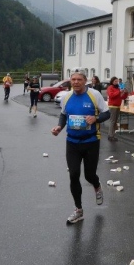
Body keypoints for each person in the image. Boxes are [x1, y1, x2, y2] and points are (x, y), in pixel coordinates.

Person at [50, 72, 110, 224]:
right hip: (72, 142)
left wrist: (95, 118)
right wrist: (59, 127)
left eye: (79, 80)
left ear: (85, 81)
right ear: (70, 81)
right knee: (74, 174)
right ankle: (78, 210)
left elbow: (107, 113)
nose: (76, 82)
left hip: (91, 141)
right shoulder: (66, 97)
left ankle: (97, 186)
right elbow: (64, 115)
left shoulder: (94, 95)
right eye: (73, 79)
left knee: (89, 176)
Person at [106, 76, 128, 141]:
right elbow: (111, 95)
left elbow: (121, 97)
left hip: (118, 106)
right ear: (112, 81)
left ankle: (112, 135)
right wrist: (119, 92)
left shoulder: (117, 88)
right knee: (112, 121)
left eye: (117, 81)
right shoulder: (110, 87)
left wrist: (125, 93)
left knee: (115, 121)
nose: (116, 82)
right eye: (115, 81)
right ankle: (110, 135)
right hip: (112, 106)